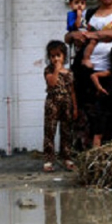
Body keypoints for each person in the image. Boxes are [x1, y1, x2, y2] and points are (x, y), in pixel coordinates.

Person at [65, 0, 112, 146]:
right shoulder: (87, 13)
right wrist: (74, 35)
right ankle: (84, 150)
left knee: (110, 111)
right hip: (85, 70)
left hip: (111, 70)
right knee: (85, 111)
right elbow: (68, 36)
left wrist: (89, 35)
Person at [42, 40, 78, 172]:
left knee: (66, 131)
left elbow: (72, 90)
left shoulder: (69, 73)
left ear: (64, 56)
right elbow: (52, 83)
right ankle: (48, 160)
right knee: (50, 131)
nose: (55, 58)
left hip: (66, 102)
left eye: (58, 55)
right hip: (53, 102)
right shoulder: (49, 70)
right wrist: (56, 69)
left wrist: (75, 107)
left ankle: (67, 158)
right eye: (52, 56)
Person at [65, 0, 95, 68]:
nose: (79, 5)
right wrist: (78, 16)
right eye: (76, 3)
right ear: (71, 4)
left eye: (82, 3)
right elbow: (76, 26)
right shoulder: (71, 15)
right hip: (77, 35)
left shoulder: (85, 14)